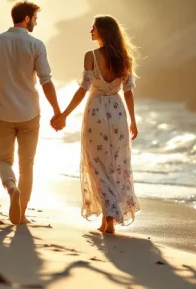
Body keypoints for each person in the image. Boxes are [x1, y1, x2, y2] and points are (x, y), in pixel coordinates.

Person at [50, 15, 141, 234]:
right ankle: (107, 218)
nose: (90, 31)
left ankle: (108, 218)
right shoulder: (124, 58)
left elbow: (83, 89)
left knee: (96, 164)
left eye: (93, 28)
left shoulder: (91, 56)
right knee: (117, 165)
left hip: (96, 113)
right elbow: (128, 92)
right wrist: (133, 121)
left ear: (102, 31)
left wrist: (63, 114)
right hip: (118, 114)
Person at [0, 1, 61, 225]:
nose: (36, 21)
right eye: (35, 17)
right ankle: (21, 214)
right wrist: (57, 110)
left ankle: (11, 188)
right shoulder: (36, 45)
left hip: (3, 113)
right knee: (27, 166)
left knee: (3, 161)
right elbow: (46, 81)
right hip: (30, 114)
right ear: (26, 18)